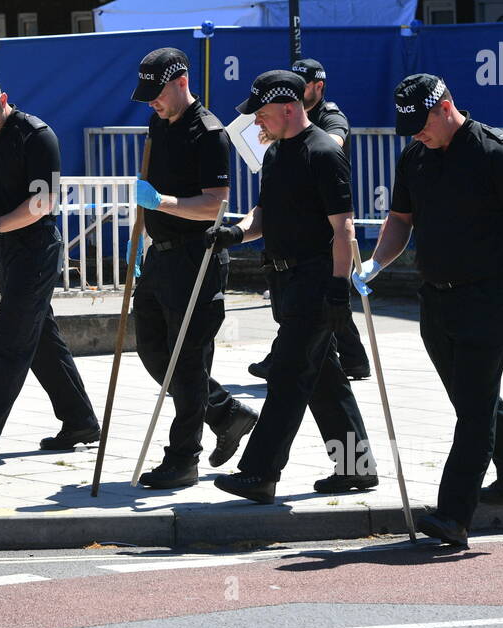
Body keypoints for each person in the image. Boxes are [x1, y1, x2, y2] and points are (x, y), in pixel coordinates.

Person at [354, 74, 503, 548]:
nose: (416, 133)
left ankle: (454, 515)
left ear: (445, 107)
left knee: (474, 411)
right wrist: (376, 262)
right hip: (434, 297)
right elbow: (401, 219)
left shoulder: (496, 153)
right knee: (470, 397)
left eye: (421, 123)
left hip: (487, 294)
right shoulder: (415, 156)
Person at [209, 70, 378, 505]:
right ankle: (356, 469)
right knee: (324, 379)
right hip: (284, 279)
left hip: (315, 280)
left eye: (262, 114)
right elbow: (262, 215)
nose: (257, 123)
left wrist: (340, 288)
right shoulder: (276, 154)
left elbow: (344, 229)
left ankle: (260, 472)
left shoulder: (323, 152)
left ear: (289, 107)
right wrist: (235, 232)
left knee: (286, 376)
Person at [0, 75, 100, 459]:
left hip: (36, 246)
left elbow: (43, 203)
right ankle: (80, 420)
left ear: (4, 100)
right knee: (42, 339)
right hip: (6, 247)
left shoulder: (36, 135)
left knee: (12, 339)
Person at [128, 47, 258, 489]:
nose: (151, 103)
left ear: (181, 82)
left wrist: (161, 202)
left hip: (195, 257)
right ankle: (225, 412)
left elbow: (215, 207)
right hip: (159, 255)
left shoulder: (209, 133)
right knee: (150, 348)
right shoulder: (157, 123)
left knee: (187, 362)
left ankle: (183, 458)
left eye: (156, 93)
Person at [249, 58, 372, 382]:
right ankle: (352, 363)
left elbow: (333, 142)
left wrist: (299, 142)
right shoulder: (279, 143)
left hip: (321, 225)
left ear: (318, 85)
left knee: (322, 313)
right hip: (288, 248)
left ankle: (288, 360)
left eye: (304, 85)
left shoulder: (328, 116)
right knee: (322, 363)